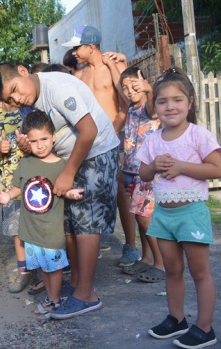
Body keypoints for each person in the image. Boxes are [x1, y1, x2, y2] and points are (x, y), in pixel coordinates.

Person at [0, 63, 120, 319]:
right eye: (9, 99)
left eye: (14, 89)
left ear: (23, 71)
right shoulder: (27, 104)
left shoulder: (58, 87)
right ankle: (77, 283)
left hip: (96, 152)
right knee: (70, 223)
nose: (16, 99)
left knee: (87, 224)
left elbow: (89, 131)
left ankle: (87, 295)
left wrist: (68, 173)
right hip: (69, 159)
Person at [138, 68, 220, 348]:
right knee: (172, 270)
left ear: (190, 102)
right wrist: (153, 165)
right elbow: (144, 175)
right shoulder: (152, 140)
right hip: (163, 215)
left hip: (191, 214)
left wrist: (182, 166)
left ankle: (205, 327)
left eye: (177, 100)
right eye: (162, 101)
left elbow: (217, 168)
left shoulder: (199, 135)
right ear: (155, 106)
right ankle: (176, 319)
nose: (170, 106)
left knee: (199, 273)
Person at [0, 110, 83, 315]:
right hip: (30, 230)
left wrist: (71, 193)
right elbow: (19, 186)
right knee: (42, 267)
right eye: (34, 141)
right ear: (28, 141)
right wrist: (8, 196)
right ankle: (52, 297)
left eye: (44, 138)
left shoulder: (62, 165)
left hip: (51, 230)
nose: (40, 145)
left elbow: (63, 189)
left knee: (55, 267)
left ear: (54, 136)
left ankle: (54, 299)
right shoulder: (25, 162)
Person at [61, 25, 134, 267]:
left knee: (120, 188)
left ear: (91, 45)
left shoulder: (112, 65)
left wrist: (112, 131)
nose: (73, 52)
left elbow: (126, 105)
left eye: (77, 47)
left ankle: (131, 246)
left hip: (113, 137)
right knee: (86, 189)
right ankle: (92, 242)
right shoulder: (80, 74)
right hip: (90, 141)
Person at [117, 67, 164, 283]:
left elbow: (155, 109)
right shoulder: (131, 108)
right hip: (130, 172)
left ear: (144, 82)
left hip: (147, 173)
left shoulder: (150, 105)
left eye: (134, 86)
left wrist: (149, 88)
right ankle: (146, 258)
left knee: (145, 218)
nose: (130, 90)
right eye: (125, 87)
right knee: (138, 216)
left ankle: (160, 264)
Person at [0, 100, 32, 293]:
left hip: (34, 182)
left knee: (37, 227)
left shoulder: (30, 113)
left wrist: (26, 147)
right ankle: (24, 271)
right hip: (9, 185)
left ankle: (43, 270)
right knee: (16, 231)